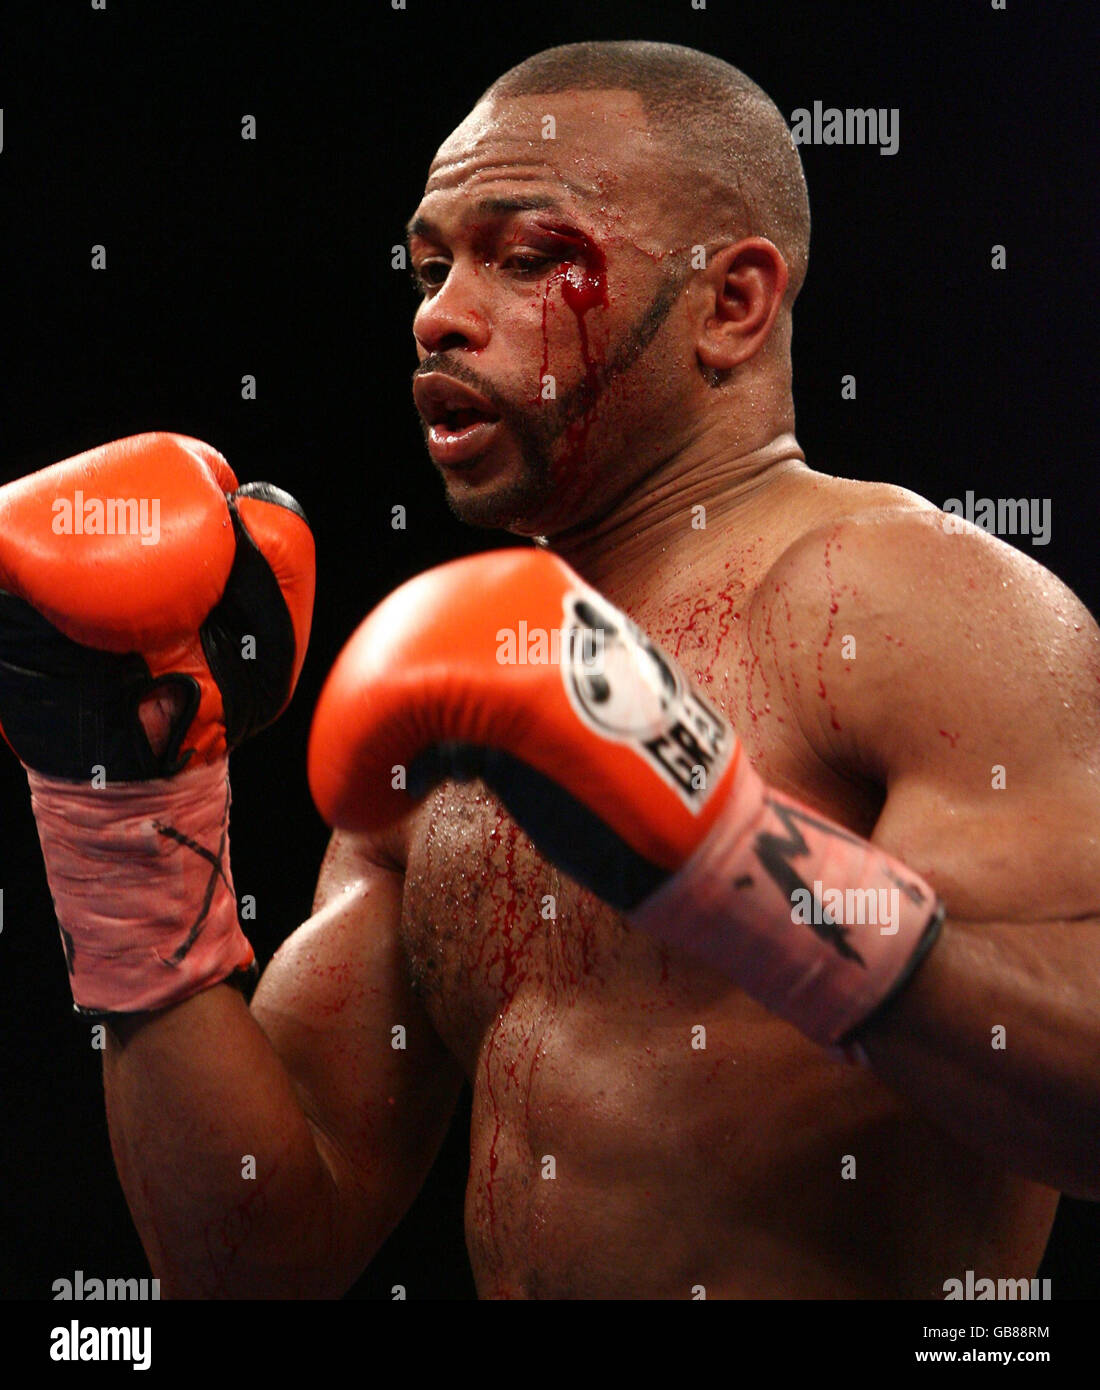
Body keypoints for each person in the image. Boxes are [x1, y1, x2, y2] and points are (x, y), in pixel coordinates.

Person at [1, 41, 1096, 1300]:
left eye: (526, 257)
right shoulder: (451, 689)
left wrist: (738, 868)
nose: (436, 311)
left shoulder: (912, 602)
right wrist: (120, 814)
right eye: (428, 264)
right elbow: (255, 1254)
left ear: (731, 303)